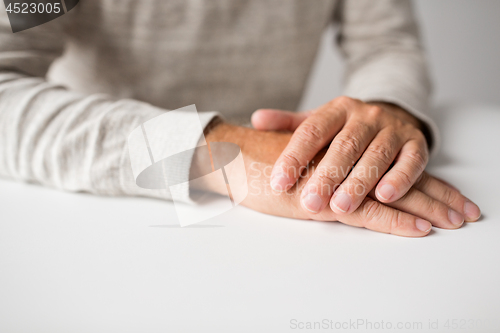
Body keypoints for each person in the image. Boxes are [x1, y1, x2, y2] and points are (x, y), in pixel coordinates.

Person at [0, 0, 480, 236]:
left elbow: (385, 42)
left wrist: (384, 110)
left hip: (279, 215)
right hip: (91, 212)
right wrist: (223, 152)